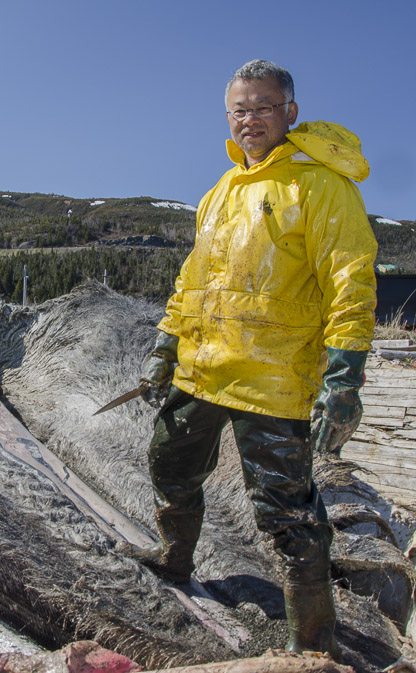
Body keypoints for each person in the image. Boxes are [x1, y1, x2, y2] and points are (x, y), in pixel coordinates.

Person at [122, 59, 377, 658]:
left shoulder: (321, 186)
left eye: (263, 106)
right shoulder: (220, 190)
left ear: (290, 112)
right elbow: (193, 279)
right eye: (240, 109)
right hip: (202, 369)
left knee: (287, 517)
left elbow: (351, 280)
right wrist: (166, 344)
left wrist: (344, 378)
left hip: (275, 381)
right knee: (169, 468)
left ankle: (313, 645)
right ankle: (174, 561)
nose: (250, 119)